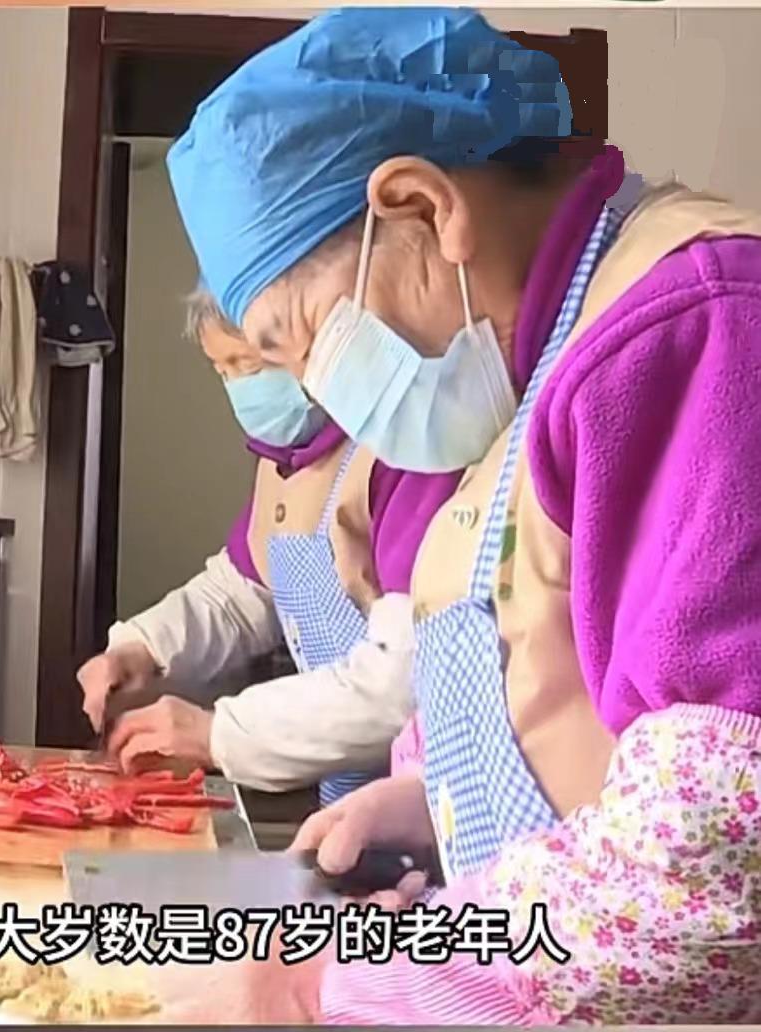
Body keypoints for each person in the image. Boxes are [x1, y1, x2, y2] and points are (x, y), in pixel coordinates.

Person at [162, 5, 761, 1023]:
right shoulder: (518, 372)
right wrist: (439, 800)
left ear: (423, 207)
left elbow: (706, 865)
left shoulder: (692, 328)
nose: (314, 392)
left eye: (302, 339)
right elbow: (545, 679)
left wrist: (324, 989)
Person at [79, 292, 458, 804]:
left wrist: (217, 734)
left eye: (250, 365)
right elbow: (244, 592)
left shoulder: (401, 453)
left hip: (429, 796)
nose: (241, 388)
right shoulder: (282, 463)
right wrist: (143, 647)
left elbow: (402, 682)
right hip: (347, 795)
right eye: (223, 370)